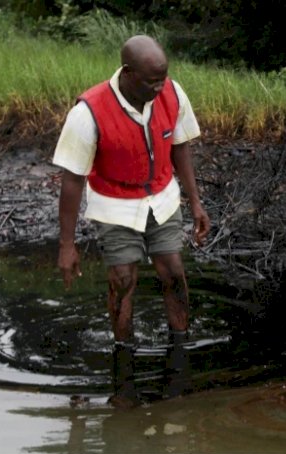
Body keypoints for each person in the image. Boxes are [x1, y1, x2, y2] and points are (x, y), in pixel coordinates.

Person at [53, 35, 211, 408]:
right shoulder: (88, 112)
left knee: (173, 271)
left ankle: (179, 350)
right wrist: (66, 245)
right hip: (115, 203)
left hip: (162, 196)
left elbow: (180, 146)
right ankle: (124, 367)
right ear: (127, 73)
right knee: (123, 279)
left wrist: (196, 202)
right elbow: (72, 179)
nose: (160, 87)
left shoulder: (172, 94)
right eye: (152, 80)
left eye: (163, 78)